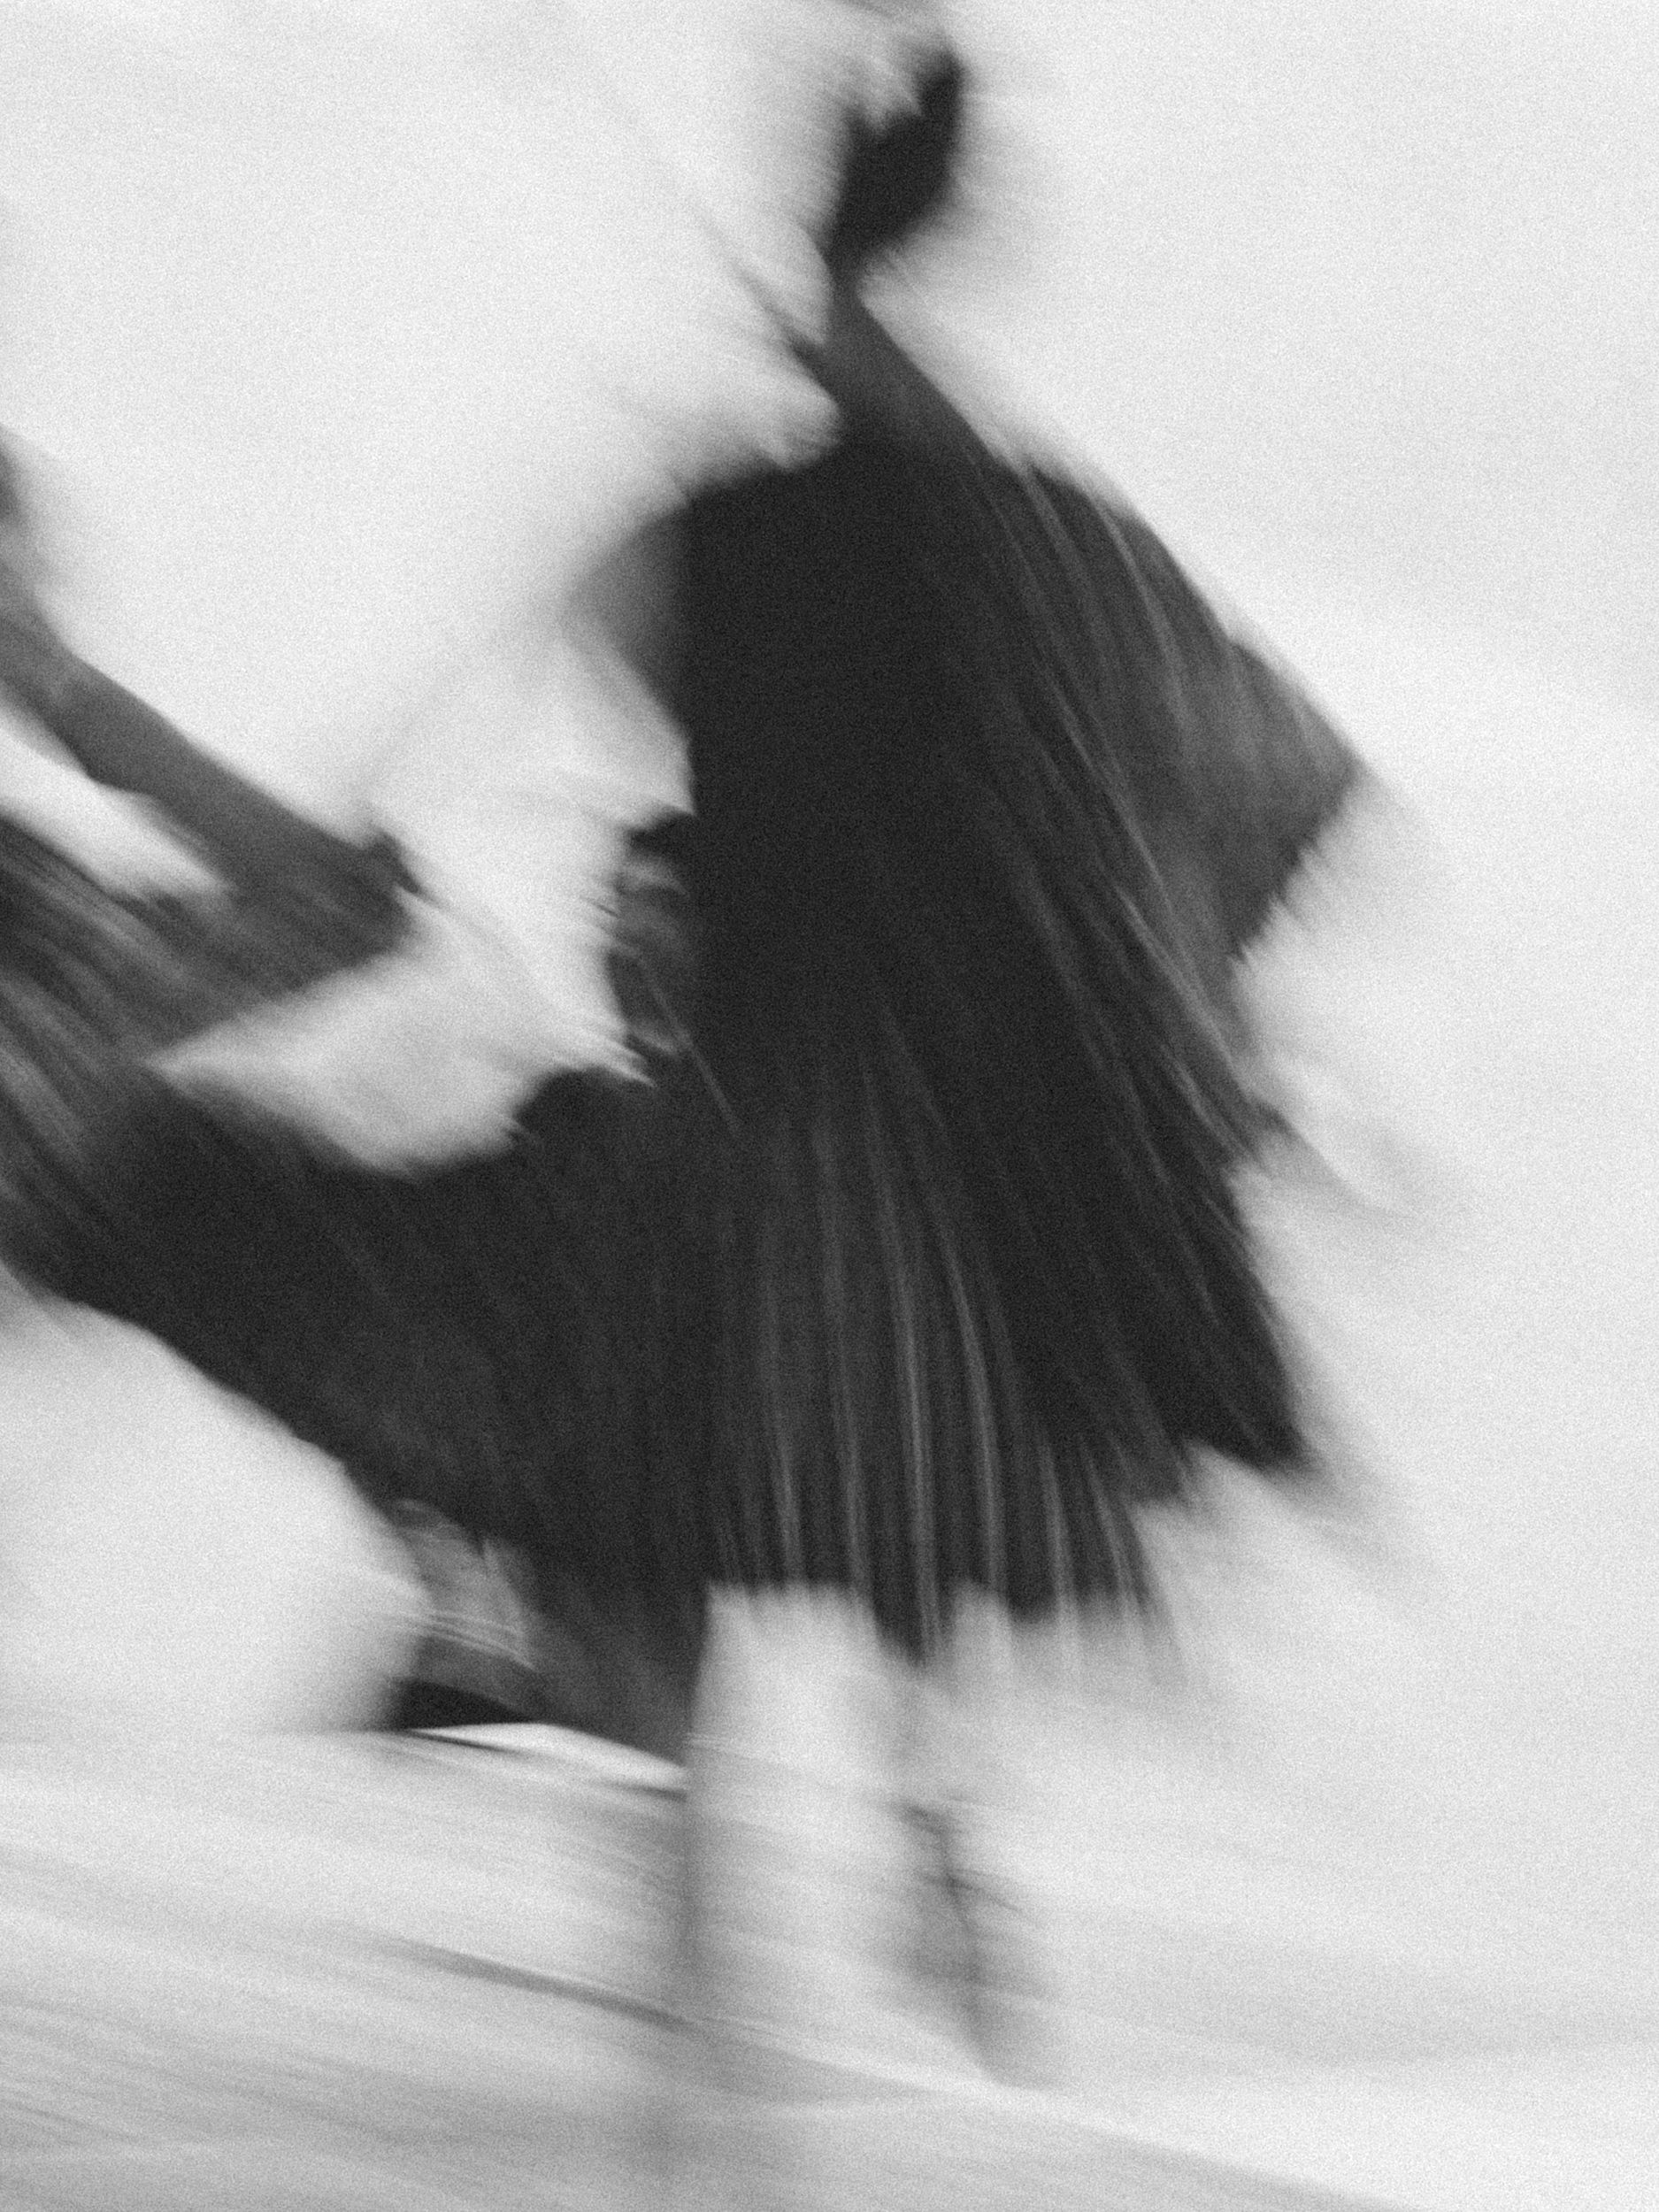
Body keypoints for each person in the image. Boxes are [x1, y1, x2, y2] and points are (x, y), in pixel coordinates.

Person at [0, 29, 1377, 2123]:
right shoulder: (1050, 556)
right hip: (960, 1203)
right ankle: (891, 1847)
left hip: (753, 1181)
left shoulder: (735, 535)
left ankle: (705, 2053)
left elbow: (436, 818)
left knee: (639, 1556)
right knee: (800, 1517)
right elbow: (1247, 795)